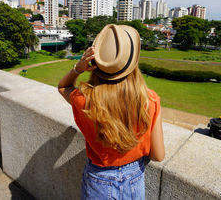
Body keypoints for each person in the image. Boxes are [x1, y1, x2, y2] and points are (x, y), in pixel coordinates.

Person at [58, 24, 165, 199]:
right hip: (134, 178)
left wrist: (78, 67)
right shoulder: (150, 100)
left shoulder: (83, 99)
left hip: (97, 179)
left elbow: (63, 87)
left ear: (95, 62)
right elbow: (158, 156)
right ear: (132, 63)